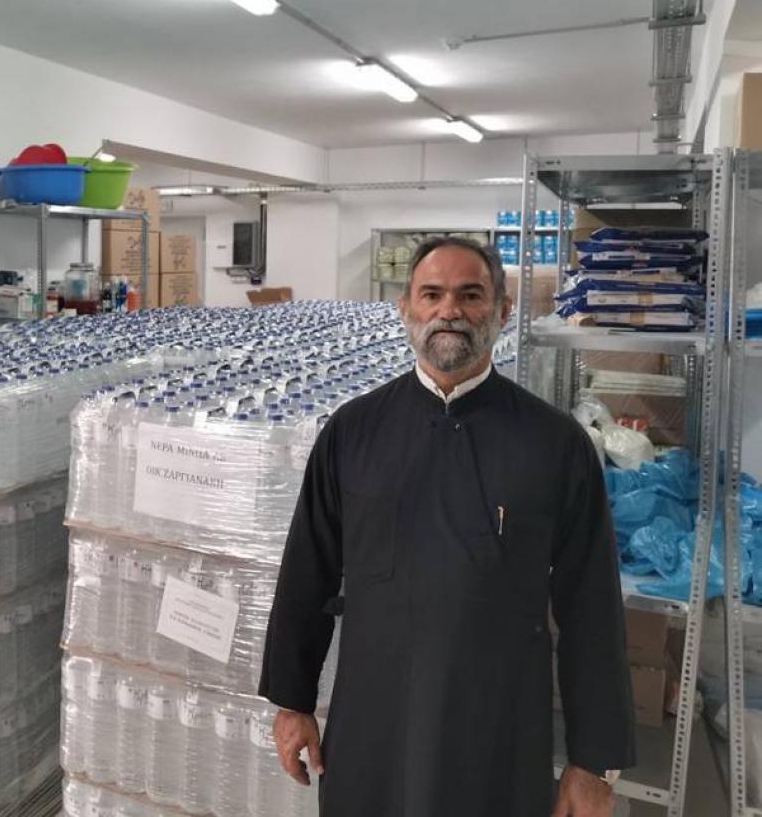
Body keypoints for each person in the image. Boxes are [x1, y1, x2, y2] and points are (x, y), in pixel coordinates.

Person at [259, 236, 634, 817]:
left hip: (496, 733)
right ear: (405, 309)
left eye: (470, 295)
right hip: (372, 725)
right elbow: (306, 574)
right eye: (431, 295)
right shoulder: (352, 432)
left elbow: (592, 608)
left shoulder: (555, 445)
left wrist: (593, 762)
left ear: (503, 311)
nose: (449, 310)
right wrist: (292, 702)